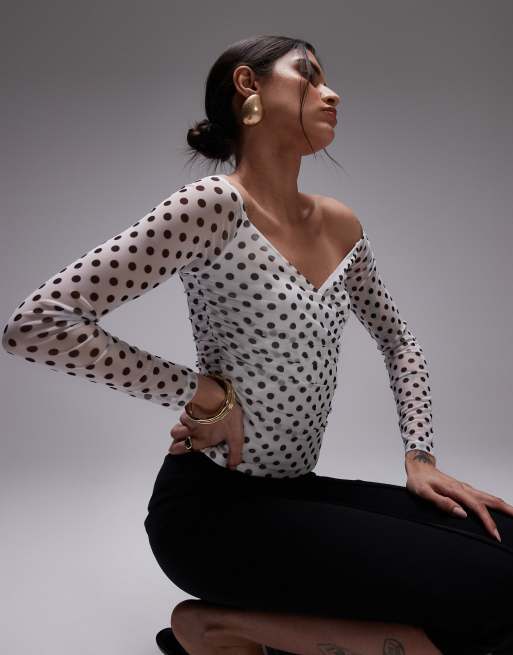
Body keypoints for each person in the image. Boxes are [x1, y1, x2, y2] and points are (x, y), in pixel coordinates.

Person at [2, 34, 513, 655]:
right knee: (498, 590)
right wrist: (201, 393)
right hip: (210, 515)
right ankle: (224, 629)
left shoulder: (340, 224)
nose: (331, 93)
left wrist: (421, 458)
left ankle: (252, 637)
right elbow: (38, 323)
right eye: (309, 76)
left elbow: (398, 340)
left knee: (506, 541)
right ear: (249, 86)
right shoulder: (212, 206)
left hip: (296, 493)